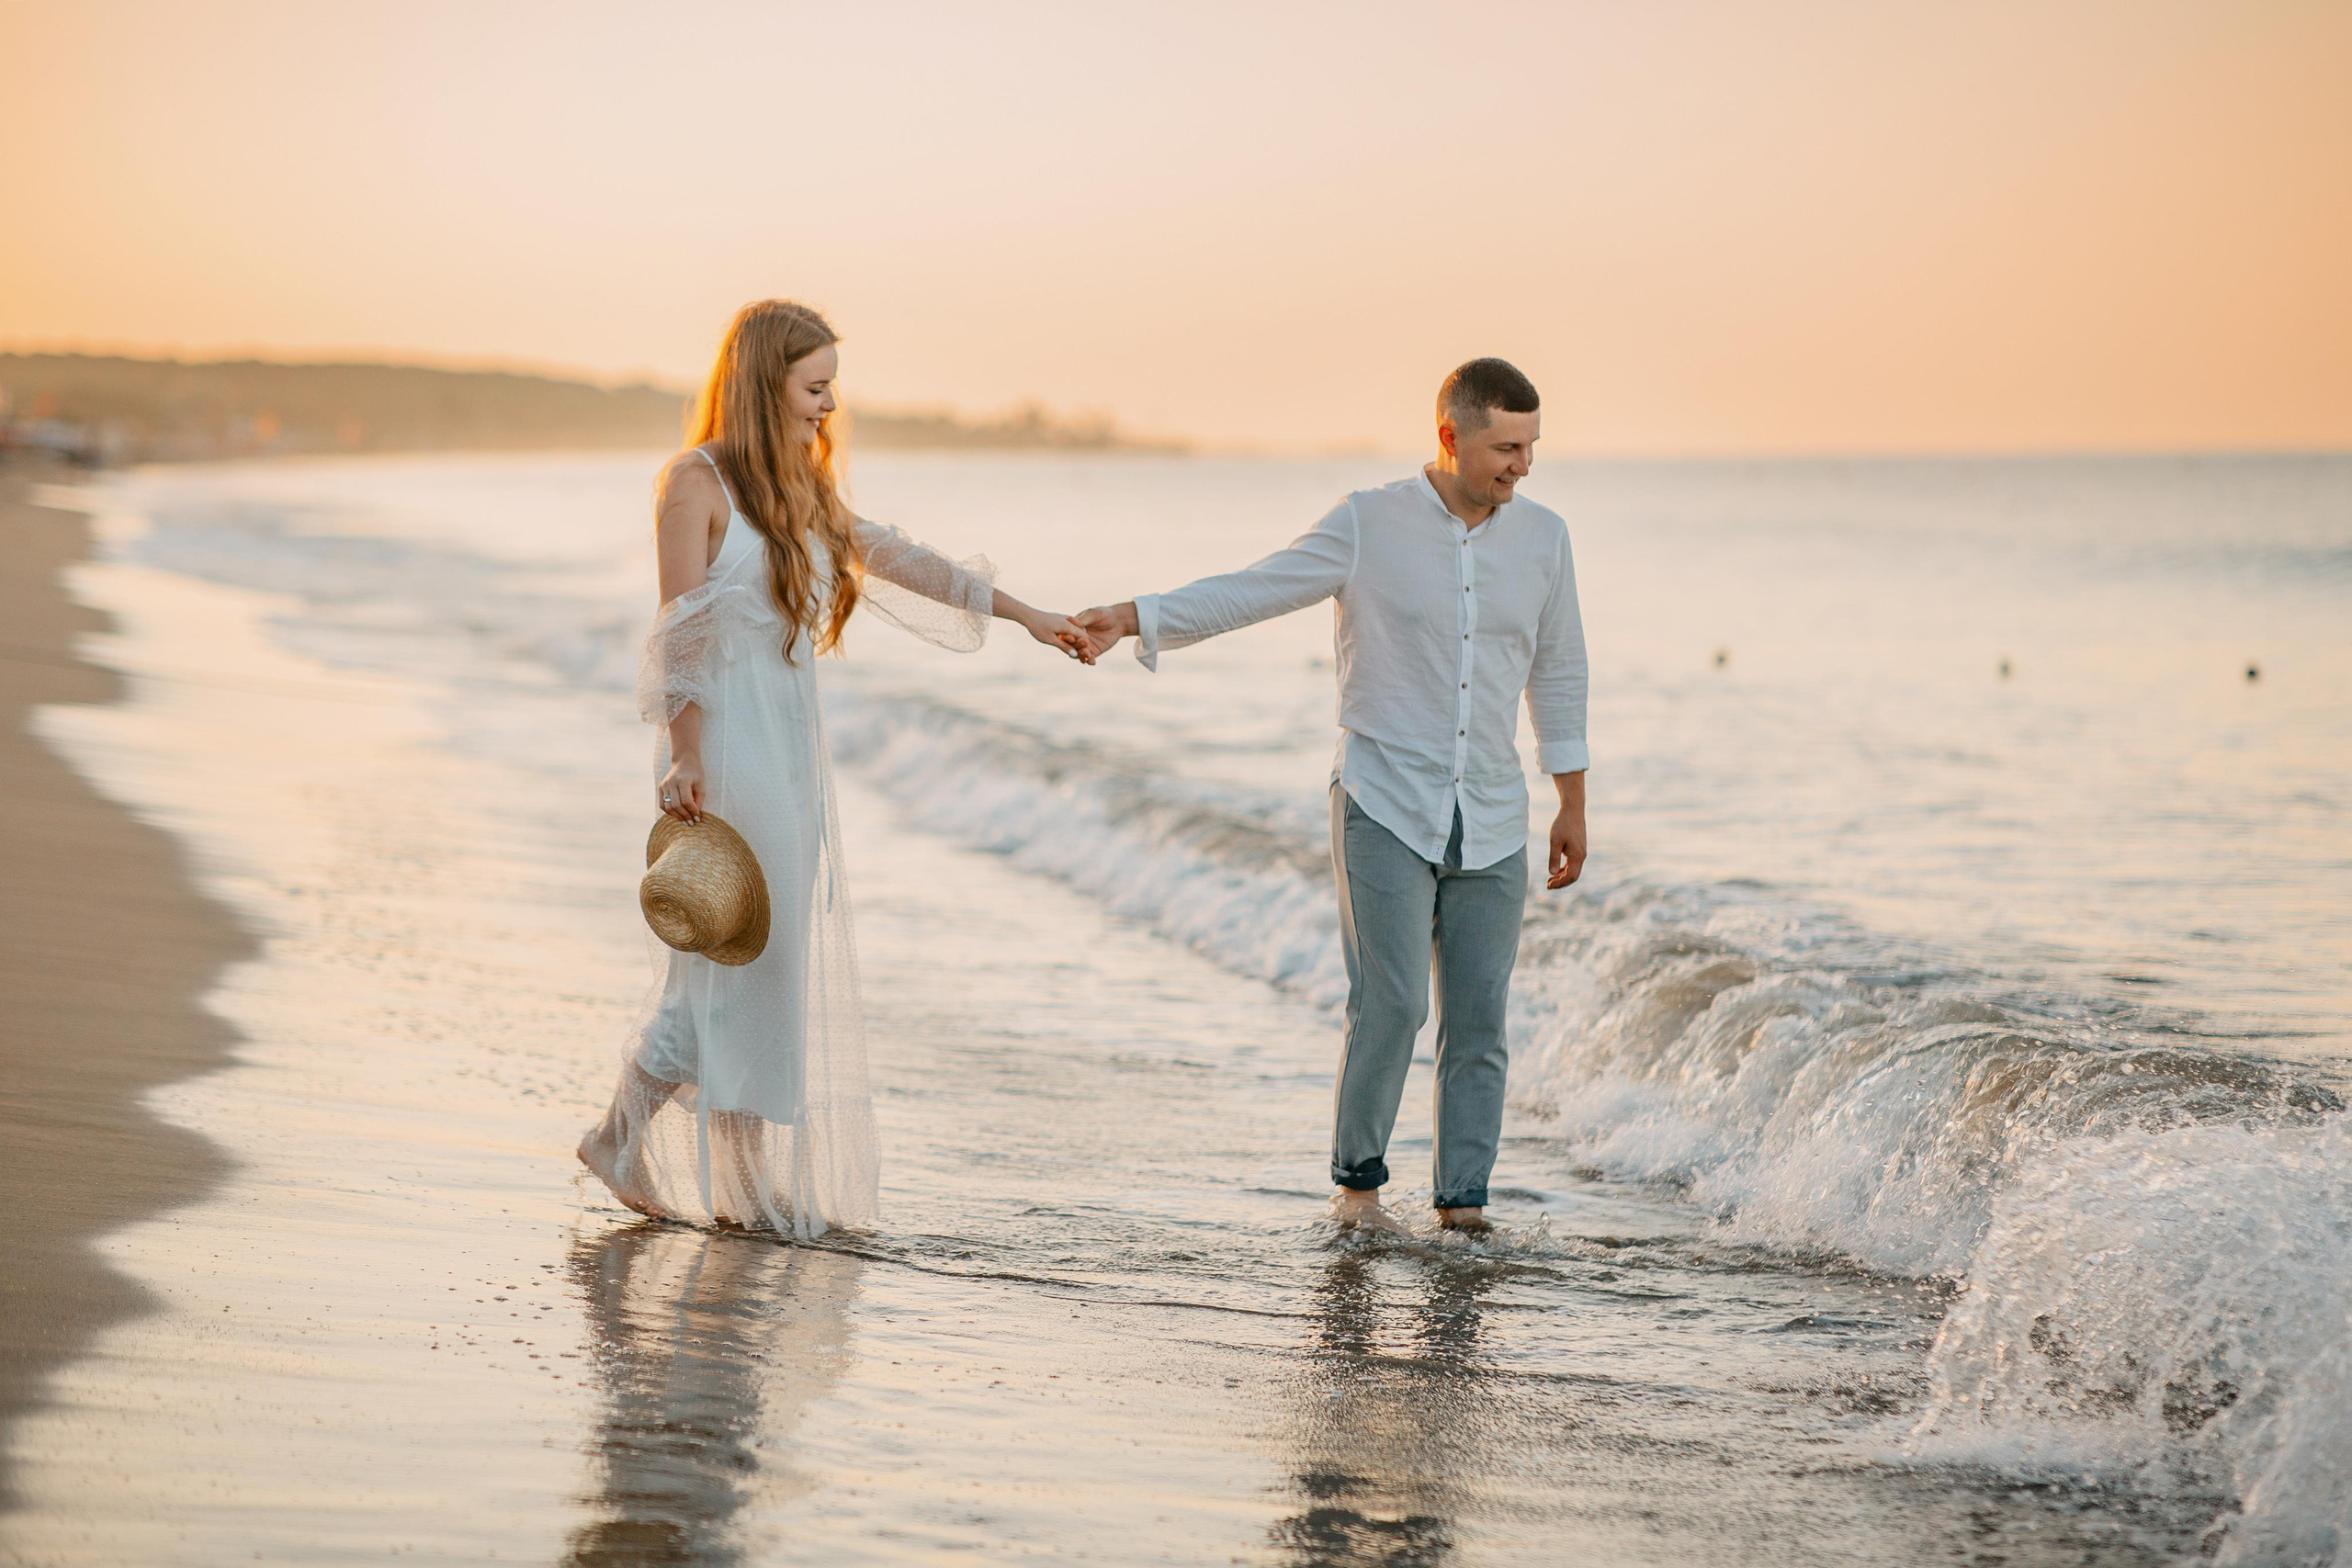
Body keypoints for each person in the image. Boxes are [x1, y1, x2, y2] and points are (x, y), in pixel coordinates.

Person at [577, 299, 1088, 1236]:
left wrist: (1024, 613)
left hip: (787, 754)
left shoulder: (795, 488)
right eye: (815, 387)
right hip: (725, 752)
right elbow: (676, 638)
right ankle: (639, 1143)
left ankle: (719, 1174)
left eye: (832, 388)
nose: (829, 406)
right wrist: (683, 757)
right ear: (763, 380)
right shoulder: (693, 485)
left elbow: (897, 555)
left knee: (757, 973)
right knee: (729, 964)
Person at [1070, 358, 1588, 1235]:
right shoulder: (1368, 523)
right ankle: (1359, 1194)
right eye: (1506, 447)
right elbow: (1255, 589)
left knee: (1480, 1022)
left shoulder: (1545, 539)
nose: (1522, 467)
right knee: (1390, 1003)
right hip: (1384, 798)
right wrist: (1134, 616)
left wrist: (1571, 800)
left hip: (1494, 815)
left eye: (1532, 446)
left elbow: (1559, 668)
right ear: (1450, 437)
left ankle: (1463, 1209)